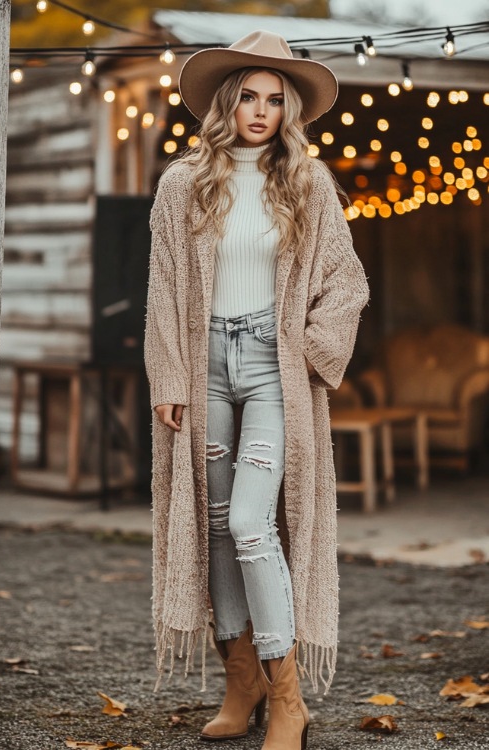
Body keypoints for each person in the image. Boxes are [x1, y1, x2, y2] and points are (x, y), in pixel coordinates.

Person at [144, 30, 369, 750]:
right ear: (227, 101)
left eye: (276, 100)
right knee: (213, 528)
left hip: (274, 369)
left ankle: (288, 700)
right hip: (205, 363)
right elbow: (164, 288)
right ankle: (239, 682)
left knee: (249, 521)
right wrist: (171, 374)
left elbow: (347, 282)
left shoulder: (308, 182)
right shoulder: (182, 183)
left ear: (289, 110)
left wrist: (309, 345)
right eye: (250, 96)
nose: (263, 110)